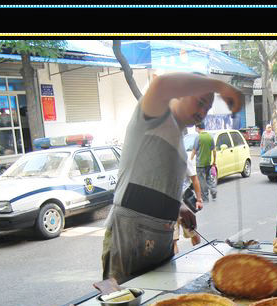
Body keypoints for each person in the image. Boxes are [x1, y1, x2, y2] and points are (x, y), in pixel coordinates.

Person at [101, 72, 243, 284]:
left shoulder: (180, 137)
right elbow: (161, 83)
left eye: (207, 108)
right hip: (129, 235)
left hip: (161, 239)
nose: (203, 112)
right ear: (181, 93)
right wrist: (221, 87)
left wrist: (178, 207)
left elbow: (153, 179)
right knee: (125, 304)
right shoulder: (153, 115)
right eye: (201, 102)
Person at [173, 162, 203, 253]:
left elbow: (194, 178)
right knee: (173, 241)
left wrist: (199, 199)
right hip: (170, 205)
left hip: (185, 203)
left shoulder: (183, 159)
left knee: (193, 233)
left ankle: (201, 254)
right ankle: (176, 265)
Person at [191, 122, 217, 201]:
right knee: (208, 178)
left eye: (195, 128)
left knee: (202, 181)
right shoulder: (210, 137)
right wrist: (214, 161)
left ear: (198, 128)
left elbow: (194, 151)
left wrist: (189, 160)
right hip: (208, 163)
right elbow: (214, 150)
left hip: (200, 164)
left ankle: (205, 197)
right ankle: (213, 190)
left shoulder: (198, 138)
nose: (195, 129)